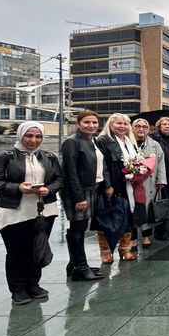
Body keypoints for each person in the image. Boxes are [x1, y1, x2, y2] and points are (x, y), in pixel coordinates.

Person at [0, 122, 63, 304]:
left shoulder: (49, 157)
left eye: (38, 136)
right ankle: (18, 289)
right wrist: (18, 188)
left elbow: (59, 179)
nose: (33, 140)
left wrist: (49, 190)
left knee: (38, 248)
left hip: (43, 211)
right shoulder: (5, 157)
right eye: (29, 135)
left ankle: (33, 284)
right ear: (20, 135)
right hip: (14, 212)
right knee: (17, 252)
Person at [60, 110, 110, 281]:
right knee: (77, 228)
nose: (91, 125)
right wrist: (79, 197)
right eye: (87, 122)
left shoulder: (92, 141)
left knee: (80, 227)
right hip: (79, 191)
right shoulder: (72, 142)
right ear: (78, 124)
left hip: (92, 188)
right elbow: (70, 172)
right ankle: (80, 267)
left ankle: (75, 264)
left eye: (94, 122)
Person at [95, 113, 141, 262]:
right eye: (119, 123)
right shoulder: (103, 140)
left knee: (127, 216)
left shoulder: (129, 141)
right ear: (110, 124)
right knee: (108, 218)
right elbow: (102, 165)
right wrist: (107, 185)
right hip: (112, 186)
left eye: (125, 124)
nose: (122, 126)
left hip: (128, 185)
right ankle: (105, 251)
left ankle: (124, 248)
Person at [131, 118, 168, 249]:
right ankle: (133, 238)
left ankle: (146, 236)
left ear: (148, 129)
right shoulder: (127, 142)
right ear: (132, 128)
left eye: (144, 126)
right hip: (131, 182)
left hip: (150, 182)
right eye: (138, 126)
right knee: (133, 210)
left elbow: (161, 162)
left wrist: (161, 180)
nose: (141, 129)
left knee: (148, 209)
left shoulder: (154, 144)